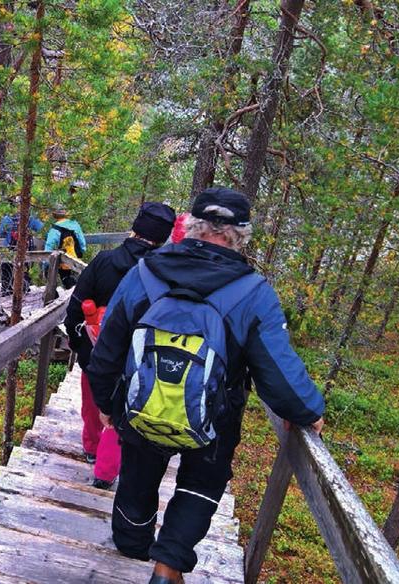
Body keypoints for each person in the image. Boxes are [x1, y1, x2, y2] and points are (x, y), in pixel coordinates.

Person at [85, 187, 326, 584]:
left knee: (139, 472)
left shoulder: (144, 273)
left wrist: (107, 404)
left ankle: (131, 539)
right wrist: (309, 411)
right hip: (216, 416)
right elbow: (278, 372)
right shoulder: (254, 293)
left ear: (190, 226)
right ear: (241, 235)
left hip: (141, 404)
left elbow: (108, 349)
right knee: (202, 482)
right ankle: (168, 565)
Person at [65, 203, 176, 490]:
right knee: (127, 409)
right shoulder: (168, 273)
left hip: (97, 351)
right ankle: (112, 465)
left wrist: (83, 351)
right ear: (163, 238)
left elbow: (74, 311)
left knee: (93, 403)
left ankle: (91, 447)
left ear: (135, 228)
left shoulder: (104, 261)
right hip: (142, 360)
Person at [0, 208, 43, 296]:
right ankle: (23, 288)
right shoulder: (30, 218)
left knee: (6, 267)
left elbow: (0, 232)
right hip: (25, 247)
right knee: (24, 267)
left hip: (9, 247)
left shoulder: (6, 219)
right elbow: (42, 228)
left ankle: (6, 288)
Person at [44, 207, 87, 288]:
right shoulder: (75, 224)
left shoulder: (54, 229)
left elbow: (49, 246)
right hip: (76, 256)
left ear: (55, 216)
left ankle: (57, 294)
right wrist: (81, 251)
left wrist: (45, 264)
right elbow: (82, 242)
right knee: (76, 278)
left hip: (63, 258)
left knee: (64, 277)